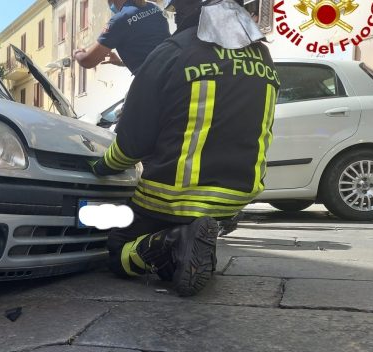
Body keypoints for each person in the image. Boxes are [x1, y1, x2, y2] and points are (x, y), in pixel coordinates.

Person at [88, 0, 278, 296]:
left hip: (175, 194)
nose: (175, 17)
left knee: (116, 252)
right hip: (237, 196)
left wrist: (101, 167)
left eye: (176, 10)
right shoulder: (263, 56)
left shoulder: (173, 51)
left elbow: (132, 143)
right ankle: (185, 246)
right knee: (176, 240)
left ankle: (172, 241)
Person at [73, 0, 171, 75]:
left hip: (155, 82)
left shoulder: (119, 20)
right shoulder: (154, 7)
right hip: (174, 70)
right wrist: (121, 63)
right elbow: (151, 52)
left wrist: (78, 53)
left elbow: (87, 61)